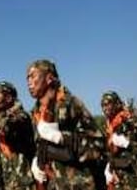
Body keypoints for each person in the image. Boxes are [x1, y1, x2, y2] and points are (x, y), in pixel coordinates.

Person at [26, 59, 104, 190]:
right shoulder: (36, 113)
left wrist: (62, 137)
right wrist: (36, 161)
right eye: (27, 78)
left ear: (49, 78)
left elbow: (99, 145)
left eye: (33, 76)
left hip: (79, 184)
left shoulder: (70, 104)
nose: (28, 82)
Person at [101, 91, 137, 190]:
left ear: (117, 104)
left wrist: (127, 144)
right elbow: (112, 152)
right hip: (120, 177)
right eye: (103, 105)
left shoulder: (131, 120)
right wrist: (109, 167)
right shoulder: (109, 126)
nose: (105, 108)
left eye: (108, 104)